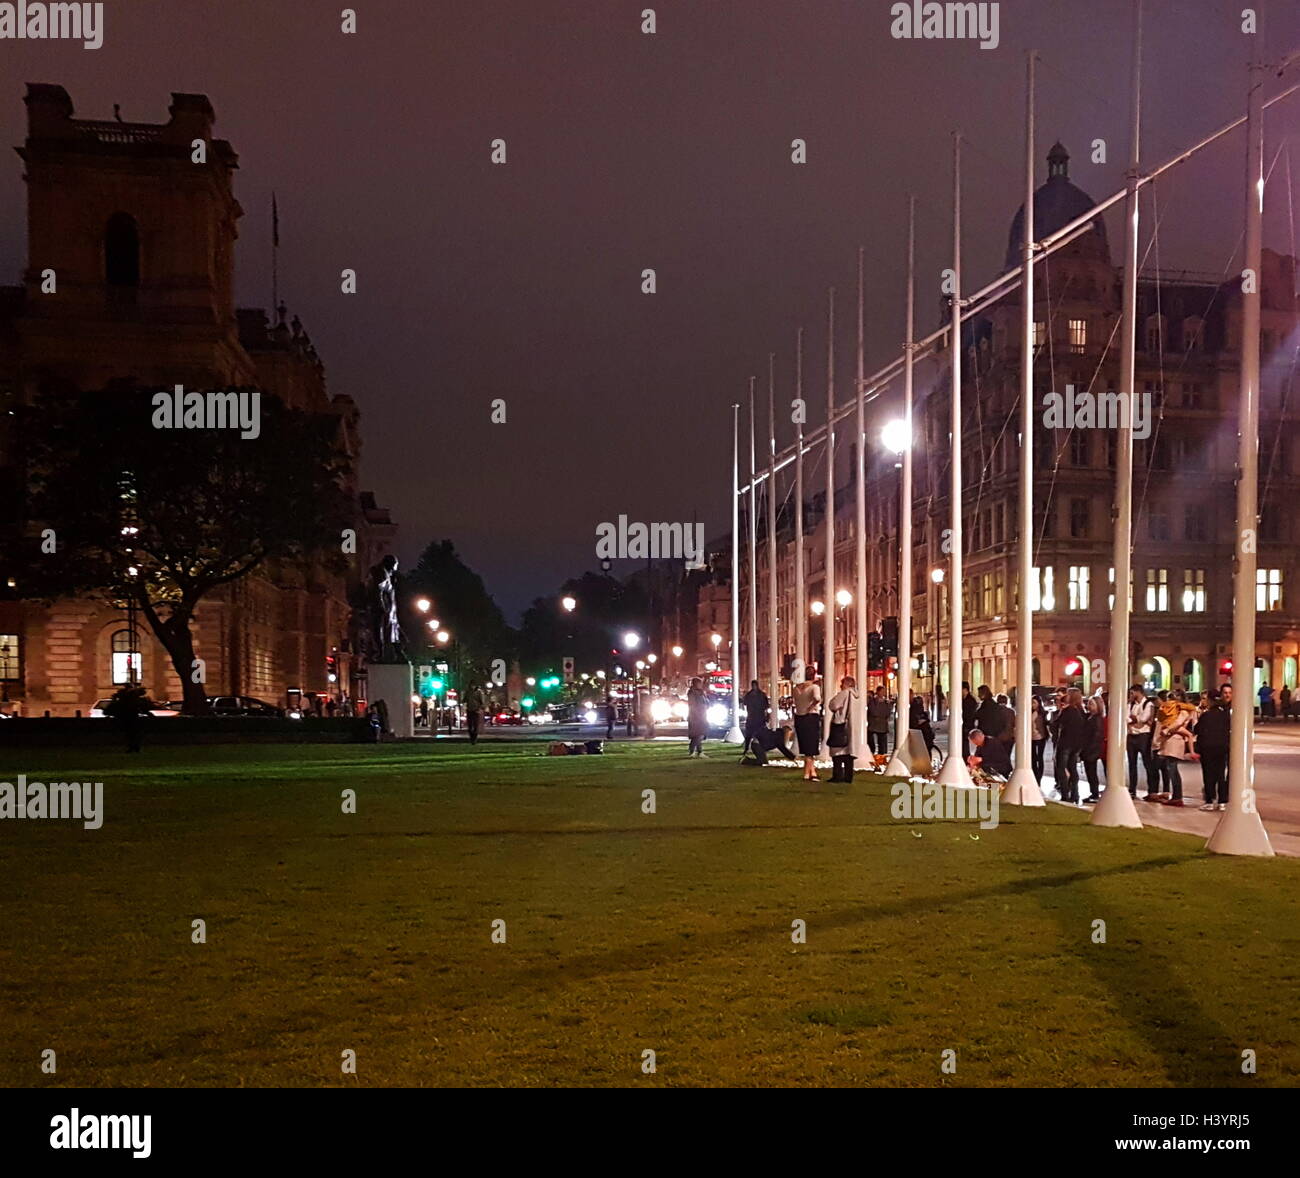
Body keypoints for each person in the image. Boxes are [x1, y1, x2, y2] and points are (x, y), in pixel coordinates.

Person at [1151, 690, 1196, 807]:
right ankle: (1175, 795)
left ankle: (1177, 796)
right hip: (1170, 740)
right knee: (1170, 767)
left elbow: (1178, 723)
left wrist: (1167, 730)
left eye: (1176, 696)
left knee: (1172, 768)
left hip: (1175, 740)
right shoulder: (1174, 709)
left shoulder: (1184, 711)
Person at [1196, 686, 1230, 811]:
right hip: (1222, 747)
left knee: (1209, 774)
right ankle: (1222, 801)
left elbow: (1197, 729)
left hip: (1208, 748)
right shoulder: (1225, 715)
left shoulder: (1206, 715)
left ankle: (1210, 800)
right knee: (1220, 774)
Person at [1053, 687, 1086, 803]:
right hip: (1077, 744)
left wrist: (1060, 711)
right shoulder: (1081, 711)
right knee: (1072, 768)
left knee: (1061, 768)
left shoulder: (1069, 710)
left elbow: (1056, 723)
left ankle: (1065, 793)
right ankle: (1075, 793)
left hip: (1066, 743)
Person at [826, 676, 859, 783]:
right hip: (852, 726)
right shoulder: (857, 695)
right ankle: (848, 776)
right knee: (849, 754)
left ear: (847, 684)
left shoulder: (844, 693)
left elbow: (833, 705)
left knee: (837, 752)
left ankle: (838, 775)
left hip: (841, 724)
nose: (841, 685)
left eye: (842, 683)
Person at [1125, 685, 1157, 798]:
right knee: (1131, 764)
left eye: (1132, 693)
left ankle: (1152, 790)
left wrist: (1134, 719)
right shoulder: (1131, 704)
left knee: (1147, 763)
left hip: (1143, 736)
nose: (1131, 695)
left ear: (1138, 692)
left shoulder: (1148, 704)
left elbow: (1144, 719)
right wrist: (1134, 720)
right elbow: (1125, 717)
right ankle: (1132, 790)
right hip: (1131, 736)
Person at [792, 674, 823, 782]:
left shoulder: (795, 689)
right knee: (811, 747)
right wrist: (810, 706)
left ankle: (812, 772)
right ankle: (807, 773)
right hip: (810, 716)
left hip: (799, 718)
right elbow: (817, 698)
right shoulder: (814, 687)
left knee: (805, 746)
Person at [105, 684, 153, 753]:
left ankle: (133, 747)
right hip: (130, 717)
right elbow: (138, 706)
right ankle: (134, 747)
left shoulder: (126, 697)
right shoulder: (129, 697)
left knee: (132, 734)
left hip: (129, 717)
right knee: (133, 733)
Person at [1079, 696, 1106, 803]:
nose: (1089, 706)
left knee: (1092, 772)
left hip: (1092, 750)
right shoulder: (1090, 717)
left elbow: (1096, 736)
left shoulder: (1097, 719)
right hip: (1088, 749)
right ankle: (1093, 793)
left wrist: (1089, 749)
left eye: (1092, 704)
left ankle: (1094, 794)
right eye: (1089, 703)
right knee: (1090, 772)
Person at [685, 677, 708, 757]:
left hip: (702, 715)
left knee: (700, 734)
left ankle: (699, 751)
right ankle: (692, 751)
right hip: (696, 716)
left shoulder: (701, 693)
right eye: (699, 683)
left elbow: (706, 703)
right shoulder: (692, 692)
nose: (701, 685)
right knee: (698, 734)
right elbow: (692, 704)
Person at [742, 679, 769, 747]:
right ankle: (747, 747)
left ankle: (762, 746)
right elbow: (745, 703)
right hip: (752, 717)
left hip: (759, 717)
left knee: (760, 733)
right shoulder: (749, 695)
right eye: (753, 685)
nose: (754, 687)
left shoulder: (761, 695)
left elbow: (766, 706)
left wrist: (766, 716)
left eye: (755, 685)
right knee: (749, 734)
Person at [866, 686, 891, 757]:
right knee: (871, 740)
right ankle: (872, 752)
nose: (883, 693)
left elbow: (888, 713)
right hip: (873, 724)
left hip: (882, 725)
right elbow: (873, 712)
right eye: (882, 691)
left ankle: (881, 755)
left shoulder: (886, 702)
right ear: (878, 692)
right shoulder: (873, 701)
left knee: (881, 742)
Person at [1029, 695, 1048, 783]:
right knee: (1033, 757)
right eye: (1032, 702)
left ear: (1039, 703)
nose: (1033, 705)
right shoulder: (1029, 712)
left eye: (1034, 703)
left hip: (1040, 737)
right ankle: (1034, 774)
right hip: (1031, 737)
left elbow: (1044, 725)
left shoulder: (1043, 713)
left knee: (1040, 757)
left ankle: (1039, 776)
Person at [960, 682, 977, 758]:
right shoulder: (966, 699)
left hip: (967, 724)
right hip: (966, 724)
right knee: (964, 743)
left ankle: (966, 757)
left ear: (965, 689)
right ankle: (965, 757)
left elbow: (969, 714)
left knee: (965, 743)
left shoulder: (969, 700)